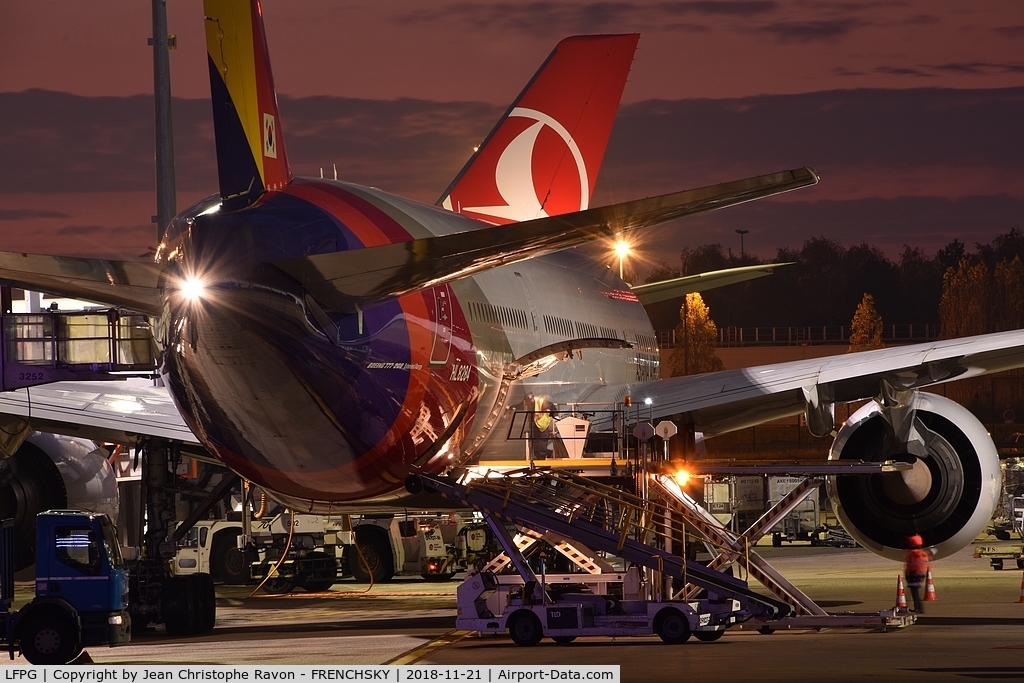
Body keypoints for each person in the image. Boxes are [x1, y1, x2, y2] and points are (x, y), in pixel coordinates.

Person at [904, 534, 931, 613]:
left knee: (915, 592)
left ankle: (918, 608)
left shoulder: (911, 553)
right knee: (916, 592)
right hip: (921, 574)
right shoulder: (923, 553)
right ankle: (920, 608)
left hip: (913, 574)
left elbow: (909, 565)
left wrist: (907, 574)